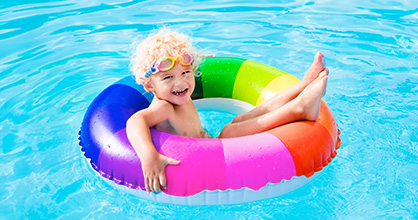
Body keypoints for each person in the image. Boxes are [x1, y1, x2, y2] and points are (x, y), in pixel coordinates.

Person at [126, 28, 329, 193]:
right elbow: (135, 121)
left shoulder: (177, 93)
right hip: (204, 162)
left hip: (210, 144)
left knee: (241, 119)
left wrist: (193, 60)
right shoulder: (163, 107)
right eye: (168, 78)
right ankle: (299, 109)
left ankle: (302, 86)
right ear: (149, 86)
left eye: (186, 72)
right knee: (230, 132)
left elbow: (180, 70)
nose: (181, 82)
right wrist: (148, 155)